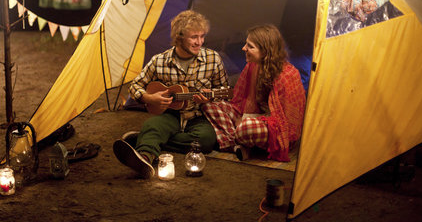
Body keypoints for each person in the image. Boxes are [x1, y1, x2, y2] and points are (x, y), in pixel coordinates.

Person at [113, 10, 230, 178]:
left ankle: (147, 139)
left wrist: (211, 96)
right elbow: (135, 85)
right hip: (170, 114)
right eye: (194, 37)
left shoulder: (213, 58)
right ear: (179, 37)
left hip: (199, 115)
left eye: (202, 36)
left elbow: (224, 90)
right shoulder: (159, 61)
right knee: (153, 124)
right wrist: (149, 97)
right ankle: (144, 158)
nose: (200, 42)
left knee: (205, 141)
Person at [201, 24, 306, 162]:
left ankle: (236, 140)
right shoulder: (252, 66)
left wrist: (250, 121)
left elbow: (286, 124)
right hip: (253, 118)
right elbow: (239, 102)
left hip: (277, 129)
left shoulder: (287, 75)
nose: (243, 48)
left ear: (265, 51)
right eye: (246, 44)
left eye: (250, 46)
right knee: (210, 106)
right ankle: (236, 145)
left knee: (246, 128)